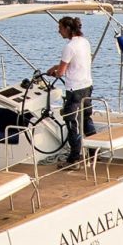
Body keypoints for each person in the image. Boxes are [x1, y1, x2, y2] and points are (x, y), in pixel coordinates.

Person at [40, 15, 94, 164]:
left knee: (72, 123)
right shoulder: (84, 42)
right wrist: (56, 67)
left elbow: (61, 73)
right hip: (87, 86)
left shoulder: (69, 47)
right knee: (86, 119)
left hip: (74, 90)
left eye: (60, 28)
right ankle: (94, 152)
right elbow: (76, 63)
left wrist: (54, 72)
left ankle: (74, 159)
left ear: (68, 28)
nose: (59, 31)